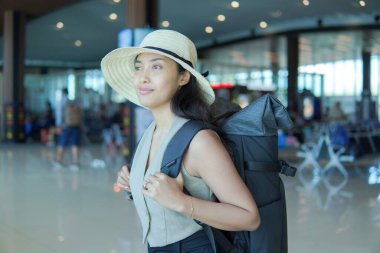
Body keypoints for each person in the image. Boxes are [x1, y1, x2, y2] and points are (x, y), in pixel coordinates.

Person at [101, 29, 260, 252]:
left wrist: (181, 202)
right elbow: (161, 194)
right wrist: (135, 182)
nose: (143, 76)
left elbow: (249, 217)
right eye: (139, 67)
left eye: (156, 66)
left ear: (183, 77)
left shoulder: (200, 141)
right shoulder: (151, 131)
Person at [53, 88, 82, 171]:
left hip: (65, 126)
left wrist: (58, 126)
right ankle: (76, 163)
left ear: (62, 93)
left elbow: (59, 115)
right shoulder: (73, 102)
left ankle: (58, 161)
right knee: (75, 144)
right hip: (75, 125)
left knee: (62, 143)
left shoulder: (61, 102)